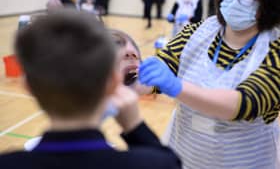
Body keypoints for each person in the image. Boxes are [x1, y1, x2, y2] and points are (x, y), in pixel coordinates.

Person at [0, 9, 182, 169]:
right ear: (113, 82)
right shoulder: (150, 164)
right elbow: (167, 162)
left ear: (28, 86)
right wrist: (134, 126)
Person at [139, 0, 280, 168]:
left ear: (268, 2)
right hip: (184, 156)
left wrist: (176, 87)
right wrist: (127, 79)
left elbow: (243, 103)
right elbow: (156, 71)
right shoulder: (196, 32)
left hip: (245, 162)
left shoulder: (275, 49)